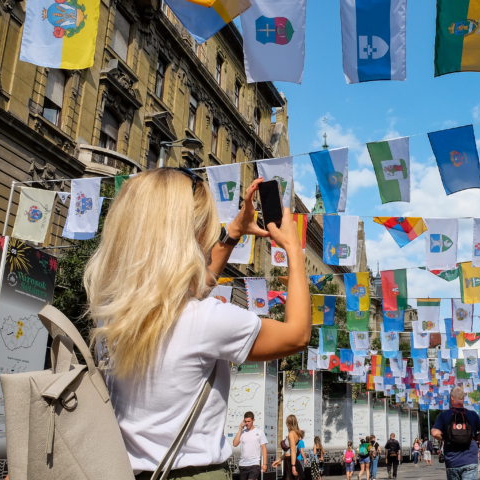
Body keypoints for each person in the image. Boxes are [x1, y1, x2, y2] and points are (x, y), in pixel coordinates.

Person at [85, 169, 311, 480]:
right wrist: (295, 252)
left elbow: (186, 287)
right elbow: (297, 335)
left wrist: (233, 232)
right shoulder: (205, 320)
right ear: (188, 234)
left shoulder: (111, 314)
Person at [431, 387, 480, 480]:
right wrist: (474, 438)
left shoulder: (444, 415)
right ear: (463, 399)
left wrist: (446, 438)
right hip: (470, 460)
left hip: (452, 462)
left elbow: (434, 433)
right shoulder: (472, 414)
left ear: (451, 398)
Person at [233, 412, 268, 480]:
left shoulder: (259, 432)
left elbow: (264, 448)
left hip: (254, 464)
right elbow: (235, 444)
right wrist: (240, 429)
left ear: (253, 420)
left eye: (249, 421)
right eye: (245, 421)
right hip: (243, 465)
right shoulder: (242, 432)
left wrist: (265, 464)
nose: (247, 423)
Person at [272, 416, 304, 480]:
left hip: (290, 462)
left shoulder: (291, 434)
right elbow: (288, 452)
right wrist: (279, 460)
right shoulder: (296, 433)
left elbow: (293, 451)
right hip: (289, 460)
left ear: (288, 423)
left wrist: (293, 466)